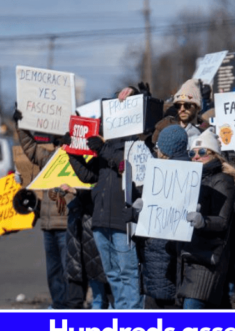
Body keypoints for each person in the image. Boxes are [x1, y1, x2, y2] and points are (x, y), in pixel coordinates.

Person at [68, 87, 144, 309]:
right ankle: (121, 316)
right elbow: (88, 175)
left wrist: (102, 149)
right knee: (112, 274)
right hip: (101, 220)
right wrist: (71, 152)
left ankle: (133, 322)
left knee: (127, 273)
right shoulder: (106, 146)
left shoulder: (135, 145)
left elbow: (125, 167)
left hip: (122, 221)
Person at [12, 107, 80, 308]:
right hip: (48, 225)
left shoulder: (78, 160)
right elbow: (29, 147)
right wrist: (20, 125)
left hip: (67, 224)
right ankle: (59, 305)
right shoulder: (48, 158)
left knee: (70, 269)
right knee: (53, 270)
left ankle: (71, 307)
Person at [178, 129, 235, 309]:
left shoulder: (223, 180)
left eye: (202, 152)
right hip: (187, 256)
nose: (196, 156)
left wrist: (203, 221)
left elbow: (222, 221)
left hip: (206, 259)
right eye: (192, 153)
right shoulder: (189, 179)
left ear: (215, 155)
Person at [133, 125, 190, 309]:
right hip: (171, 258)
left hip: (160, 255)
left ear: (165, 151)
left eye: (158, 147)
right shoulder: (191, 172)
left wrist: (136, 213)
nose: (156, 151)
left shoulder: (164, 174)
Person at [152, 79, 204, 143]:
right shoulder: (166, 128)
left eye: (187, 105)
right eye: (178, 105)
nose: (182, 109)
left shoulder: (204, 133)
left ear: (197, 108)